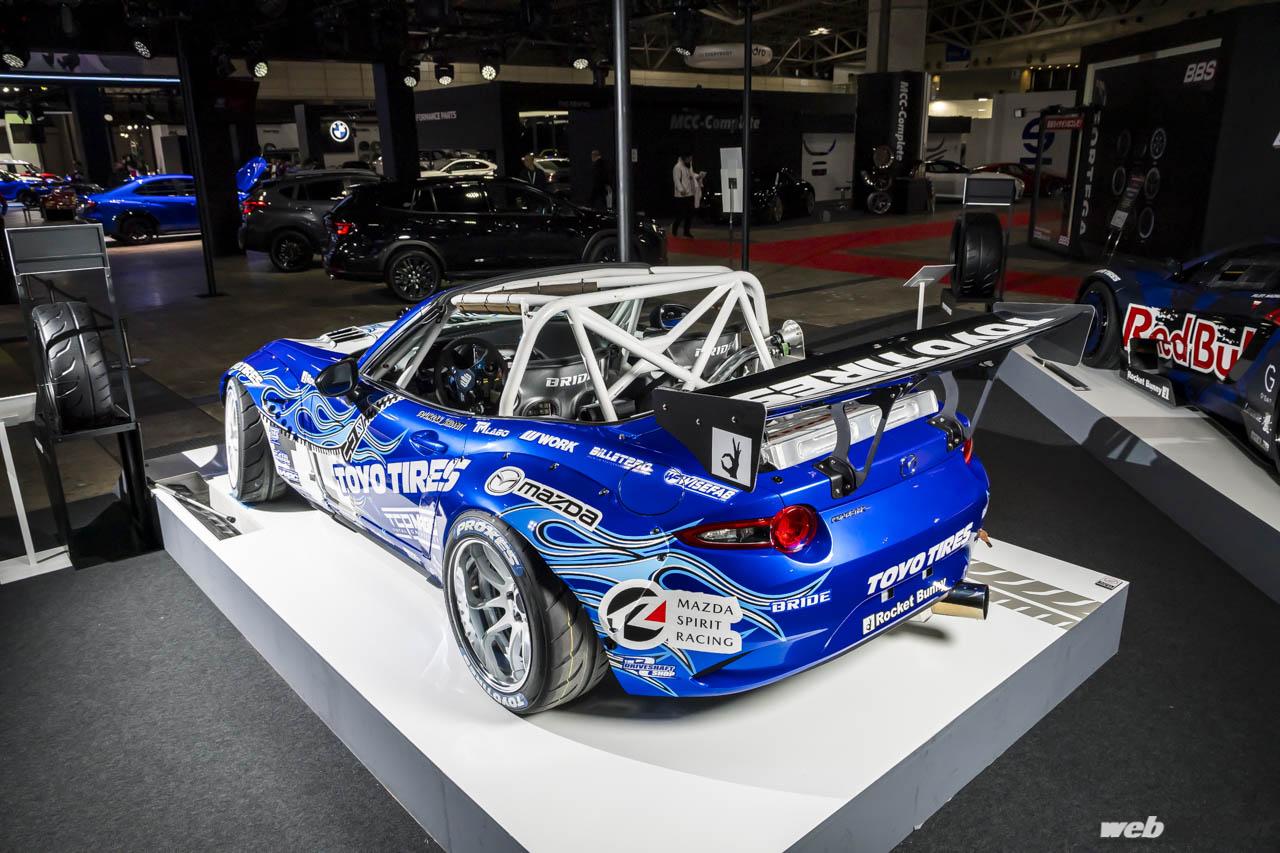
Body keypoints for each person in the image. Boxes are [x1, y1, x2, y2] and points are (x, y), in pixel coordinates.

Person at [671, 152, 697, 238]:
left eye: (691, 159)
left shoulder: (688, 166)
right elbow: (676, 179)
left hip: (690, 194)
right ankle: (674, 230)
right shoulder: (677, 167)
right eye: (689, 158)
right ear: (685, 158)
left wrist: (698, 176)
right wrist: (681, 190)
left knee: (690, 214)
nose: (690, 160)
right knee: (681, 215)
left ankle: (686, 231)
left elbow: (692, 175)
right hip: (681, 196)